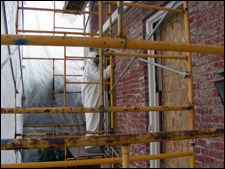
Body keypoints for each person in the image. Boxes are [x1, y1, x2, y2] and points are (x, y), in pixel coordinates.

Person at [81, 51, 110, 153]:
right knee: (92, 118)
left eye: (98, 57)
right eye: (96, 58)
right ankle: (89, 146)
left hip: (93, 97)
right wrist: (110, 68)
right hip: (91, 98)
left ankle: (94, 143)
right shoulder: (89, 67)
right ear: (91, 58)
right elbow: (100, 77)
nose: (97, 59)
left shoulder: (93, 67)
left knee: (95, 118)